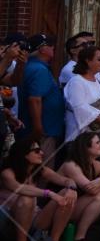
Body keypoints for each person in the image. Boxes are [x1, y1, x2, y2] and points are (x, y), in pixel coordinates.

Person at [1, 136, 78, 241]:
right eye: (36, 151)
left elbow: (65, 180)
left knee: (68, 194)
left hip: (34, 219)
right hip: (10, 223)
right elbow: (19, 188)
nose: (42, 153)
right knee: (27, 198)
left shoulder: (40, 170)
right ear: (24, 154)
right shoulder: (7, 173)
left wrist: (71, 188)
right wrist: (50, 194)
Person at [17, 34, 66, 165]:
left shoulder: (33, 66)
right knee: (43, 167)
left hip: (44, 128)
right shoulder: (39, 69)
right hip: (44, 131)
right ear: (42, 49)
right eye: (50, 45)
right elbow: (34, 99)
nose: (53, 47)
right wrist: (38, 128)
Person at [64, 46, 100, 142]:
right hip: (80, 136)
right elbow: (79, 107)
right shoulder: (77, 82)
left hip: (98, 134)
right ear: (88, 61)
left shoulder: (96, 80)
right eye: (99, 59)